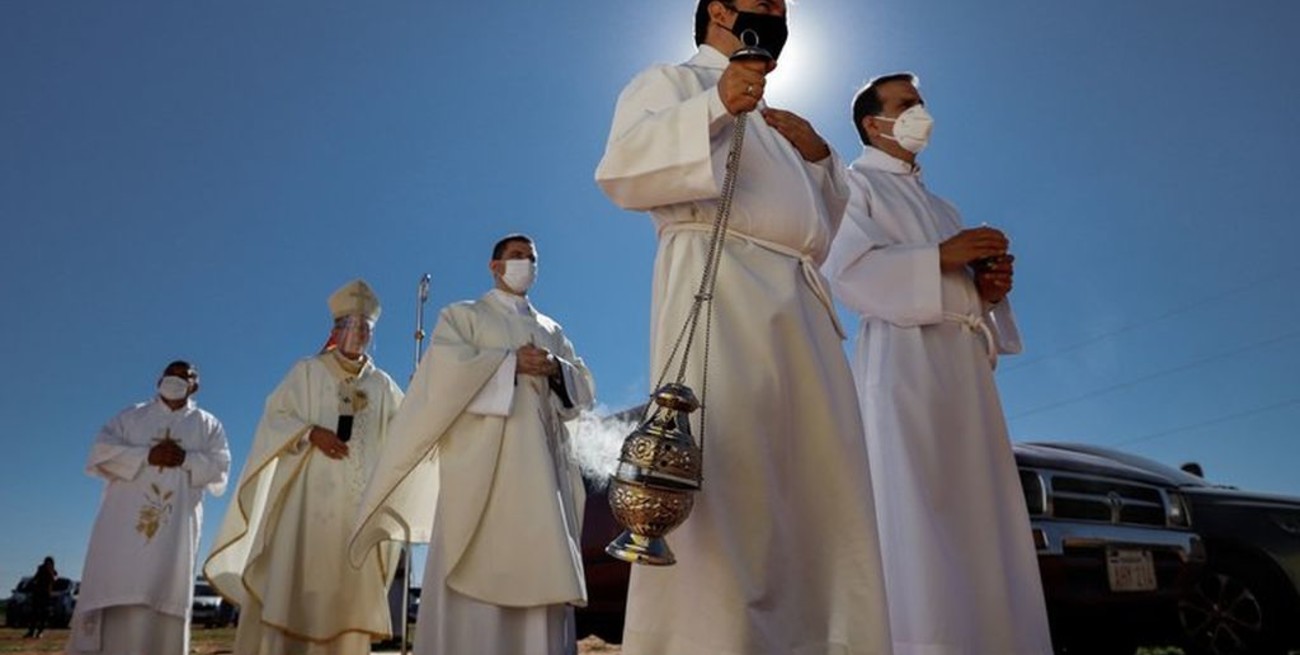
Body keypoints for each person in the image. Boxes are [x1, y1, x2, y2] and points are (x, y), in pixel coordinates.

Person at [594, 2, 893, 653]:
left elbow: (817, 231)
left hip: (803, 308)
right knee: (733, 484)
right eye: (765, 5)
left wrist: (819, 163)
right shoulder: (671, 82)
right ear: (721, 10)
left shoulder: (775, 119)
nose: (777, 13)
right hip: (721, 287)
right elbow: (621, 171)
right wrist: (715, 106)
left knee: (820, 495)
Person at [821, 72, 1053, 655]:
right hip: (904, 363)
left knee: (982, 510)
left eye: (920, 103)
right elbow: (846, 273)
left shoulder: (943, 205)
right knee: (918, 508)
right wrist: (942, 257)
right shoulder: (853, 188)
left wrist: (989, 293)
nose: (920, 112)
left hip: (963, 368)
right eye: (906, 104)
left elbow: (963, 289)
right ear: (873, 124)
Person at [350, 234, 596, 655]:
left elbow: (584, 393)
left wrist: (556, 367)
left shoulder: (552, 330)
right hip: (481, 470)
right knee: (478, 577)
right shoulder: (462, 316)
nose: (526, 264)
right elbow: (441, 378)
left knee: (542, 567)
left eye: (532, 258)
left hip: (544, 473)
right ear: (495, 266)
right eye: (516, 256)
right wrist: (508, 363)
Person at [205, 279, 404, 654]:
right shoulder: (308, 371)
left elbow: (405, 431)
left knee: (346, 591)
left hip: (356, 510)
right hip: (305, 503)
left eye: (366, 328)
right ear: (335, 330)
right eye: (351, 325)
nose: (358, 334)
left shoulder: (382, 385)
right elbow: (275, 416)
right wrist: (310, 432)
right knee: (295, 583)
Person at [67, 361, 231, 654]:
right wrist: (145, 455)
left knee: (164, 596)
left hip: (174, 535)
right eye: (172, 373)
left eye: (186, 375)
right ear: (159, 379)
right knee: (118, 589)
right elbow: (99, 452)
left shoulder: (208, 425)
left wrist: (186, 460)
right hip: (122, 533)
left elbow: (221, 469)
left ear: (197, 386)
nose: (177, 379)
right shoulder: (132, 416)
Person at [23, 556, 57, 639]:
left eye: (50, 563)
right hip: (38, 594)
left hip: (46, 595)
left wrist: (51, 572)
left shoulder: (53, 571)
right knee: (34, 613)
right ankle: (31, 631)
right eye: (47, 562)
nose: (48, 564)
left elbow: (54, 580)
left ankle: (40, 632)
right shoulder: (40, 569)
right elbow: (35, 578)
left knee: (43, 614)